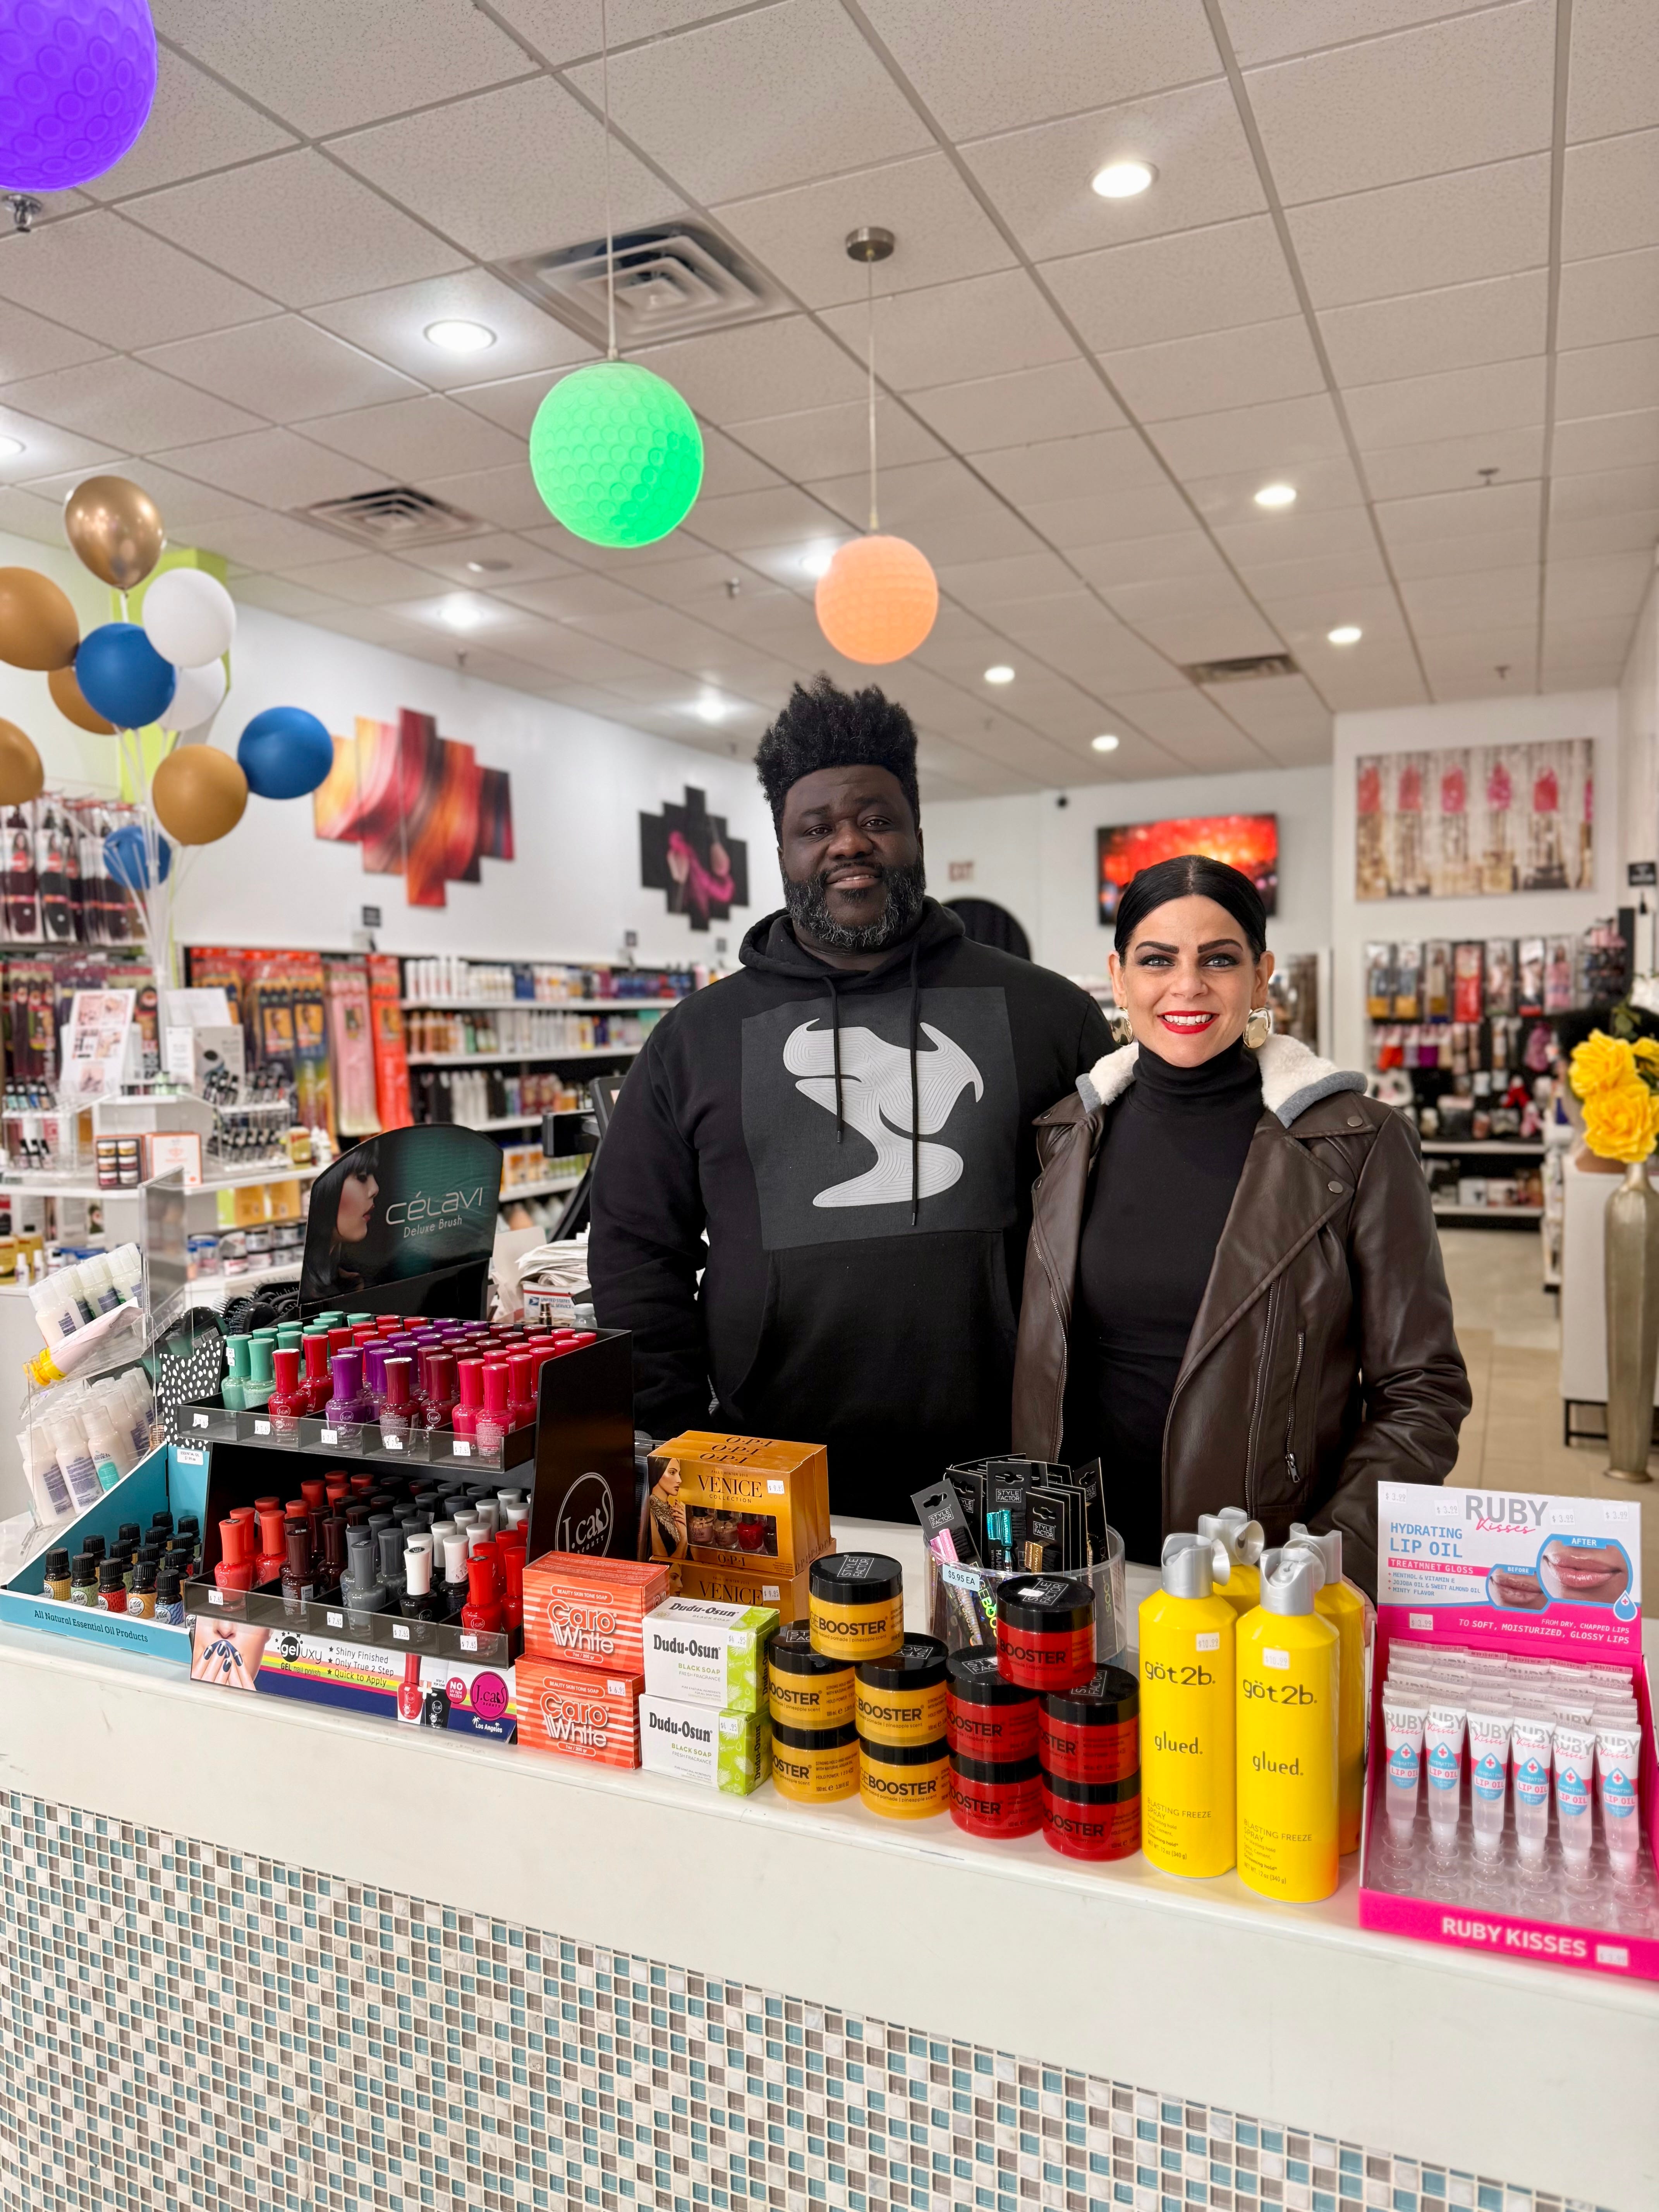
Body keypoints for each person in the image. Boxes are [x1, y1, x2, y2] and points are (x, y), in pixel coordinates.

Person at [589, 675, 1111, 1520]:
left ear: (917, 832)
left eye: (876, 819)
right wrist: (680, 1436)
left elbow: (1112, 1230)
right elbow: (635, 1249)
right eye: (816, 828)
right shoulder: (697, 1039)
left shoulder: (1047, 1014)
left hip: (1010, 1468)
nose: (849, 845)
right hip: (770, 1472)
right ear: (783, 848)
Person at [1010, 852, 1469, 1593]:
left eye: (1219, 960)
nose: (1188, 985)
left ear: (1261, 978)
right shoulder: (1064, 1139)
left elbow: (1422, 1388)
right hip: (1078, 1566)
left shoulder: (1355, 1144)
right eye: (1158, 959)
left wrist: (1327, 1558)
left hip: (1262, 1574)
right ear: (1119, 978)